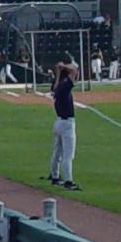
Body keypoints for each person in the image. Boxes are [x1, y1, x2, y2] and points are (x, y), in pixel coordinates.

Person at [46, 59, 81, 190]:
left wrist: (58, 71)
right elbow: (75, 71)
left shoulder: (58, 85)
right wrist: (63, 66)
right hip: (67, 123)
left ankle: (54, 176)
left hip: (58, 121)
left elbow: (55, 86)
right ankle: (68, 181)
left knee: (57, 151)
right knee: (68, 155)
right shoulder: (65, 86)